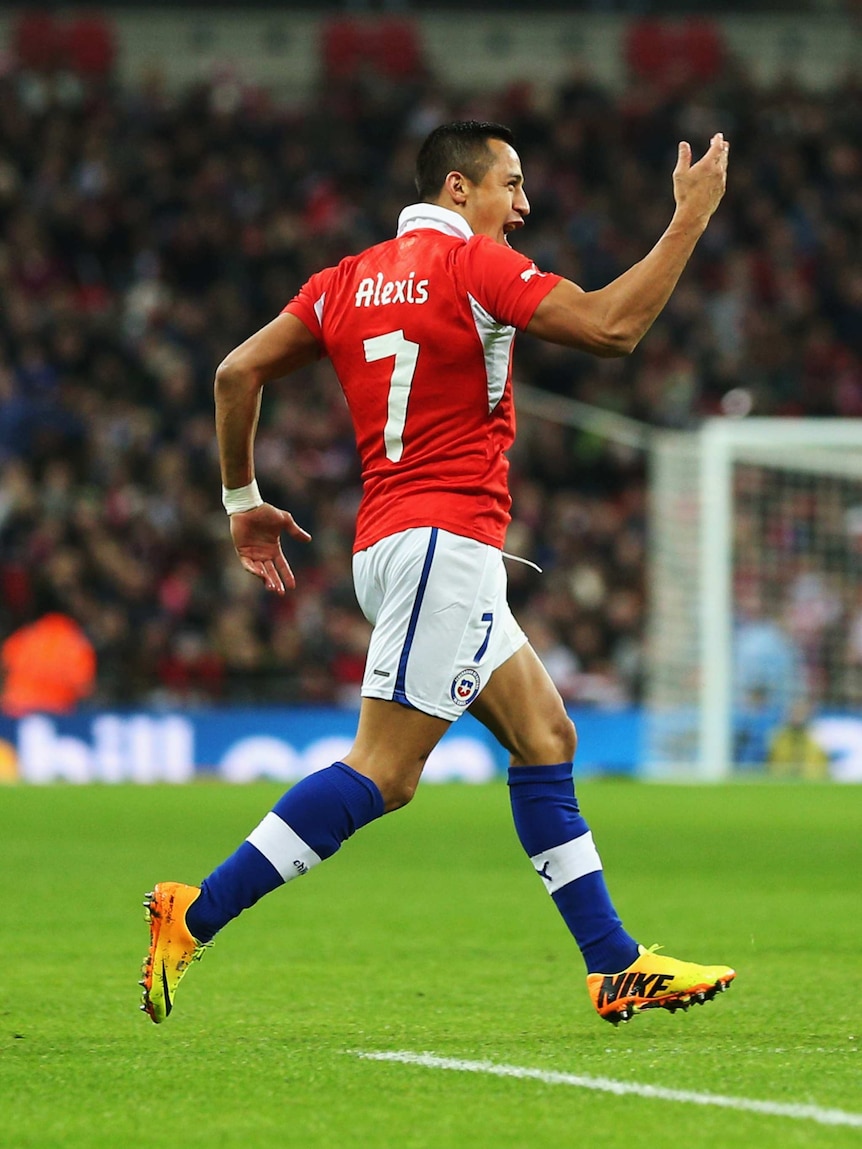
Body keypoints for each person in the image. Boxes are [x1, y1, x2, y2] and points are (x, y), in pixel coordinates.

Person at [140, 121, 735, 1026]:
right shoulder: (471, 265)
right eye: (512, 184)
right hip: (441, 543)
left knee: (546, 734)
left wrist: (241, 500)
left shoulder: (341, 281)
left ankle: (614, 964)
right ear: (458, 189)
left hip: (404, 545)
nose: (524, 205)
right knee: (385, 773)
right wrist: (688, 219)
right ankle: (197, 911)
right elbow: (613, 328)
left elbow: (235, 373)